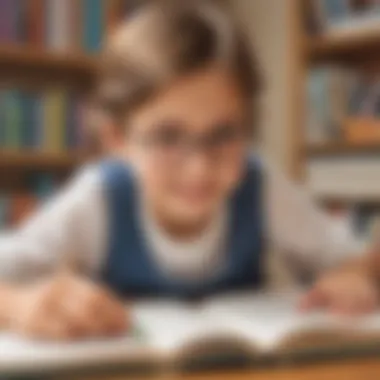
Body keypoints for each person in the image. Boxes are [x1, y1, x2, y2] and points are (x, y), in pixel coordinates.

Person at [0, 0, 378, 341]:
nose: (198, 168)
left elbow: (357, 259)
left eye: (223, 134)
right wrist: (17, 305)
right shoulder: (98, 197)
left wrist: (355, 275)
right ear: (117, 138)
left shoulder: (258, 184)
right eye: (167, 137)